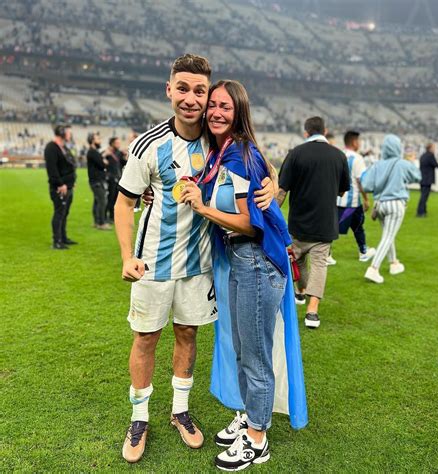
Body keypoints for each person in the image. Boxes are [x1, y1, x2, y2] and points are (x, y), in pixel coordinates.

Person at [114, 55, 274, 464]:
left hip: (199, 266)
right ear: (169, 89)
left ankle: (180, 411)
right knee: (146, 338)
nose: (190, 98)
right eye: (182, 88)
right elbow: (123, 202)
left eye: (199, 91)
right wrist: (126, 256)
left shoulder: (216, 138)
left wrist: (274, 184)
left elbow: (257, 159)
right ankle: (139, 418)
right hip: (152, 264)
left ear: (207, 96)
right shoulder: (147, 145)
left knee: (188, 336)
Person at [181, 79, 307, 471]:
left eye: (226, 107)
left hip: (255, 261)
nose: (216, 112)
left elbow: (249, 224)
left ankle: (257, 438)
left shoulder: (237, 153)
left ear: (239, 114)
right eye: (213, 105)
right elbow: (259, 176)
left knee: (254, 356)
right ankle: (248, 418)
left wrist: (203, 208)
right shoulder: (226, 153)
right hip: (242, 262)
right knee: (242, 349)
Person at [277, 116, 350, 328]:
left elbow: (282, 190)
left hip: (299, 222)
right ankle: (312, 311)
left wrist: (269, 215)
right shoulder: (339, 156)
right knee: (319, 265)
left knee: (298, 260)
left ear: (306, 132)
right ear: (325, 131)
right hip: (325, 222)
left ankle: (300, 292)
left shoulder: (296, 153)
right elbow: (343, 189)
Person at [361, 134, 421, 284]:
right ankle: (373, 268)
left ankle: (394, 263)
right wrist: (412, 162)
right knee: (388, 236)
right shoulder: (402, 163)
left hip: (380, 204)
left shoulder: (376, 165)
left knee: (388, 235)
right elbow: (417, 177)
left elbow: (367, 186)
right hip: (396, 204)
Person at [335, 131, 375, 262]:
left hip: (337, 199)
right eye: (359, 141)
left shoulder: (338, 155)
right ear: (354, 142)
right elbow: (360, 181)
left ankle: (363, 251)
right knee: (354, 227)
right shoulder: (357, 158)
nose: (360, 143)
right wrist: (366, 198)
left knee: (354, 225)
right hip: (351, 200)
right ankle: (363, 252)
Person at [44, 124, 77, 249]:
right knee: (59, 213)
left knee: (64, 213)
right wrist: (60, 184)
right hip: (60, 187)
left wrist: (72, 182)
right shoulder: (51, 147)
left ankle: (63, 237)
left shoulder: (64, 147)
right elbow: (52, 169)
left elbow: (69, 166)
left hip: (68, 186)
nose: (70, 135)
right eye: (68, 132)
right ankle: (56, 241)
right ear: (62, 133)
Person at [416, 143, 438, 217]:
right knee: (424, 196)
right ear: (430, 148)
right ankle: (420, 212)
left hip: (422, 178)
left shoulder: (423, 156)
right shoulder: (430, 156)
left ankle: (423, 211)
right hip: (428, 179)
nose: (434, 149)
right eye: (433, 148)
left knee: (423, 195)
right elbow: (436, 165)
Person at [87, 132, 111, 230]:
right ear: (92, 140)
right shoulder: (92, 152)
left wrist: (103, 157)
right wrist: (104, 159)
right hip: (97, 181)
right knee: (102, 201)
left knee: (97, 201)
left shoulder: (94, 152)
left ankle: (96, 222)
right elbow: (102, 164)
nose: (99, 141)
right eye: (98, 139)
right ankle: (101, 223)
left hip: (96, 180)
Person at [105, 136, 127, 223]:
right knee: (110, 198)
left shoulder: (120, 153)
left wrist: (125, 157)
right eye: (117, 143)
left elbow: (124, 163)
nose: (119, 144)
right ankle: (107, 216)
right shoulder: (108, 152)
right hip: (110, 178)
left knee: (116, 199)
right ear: (112, 144)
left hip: (118, 178)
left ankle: (113, 216)